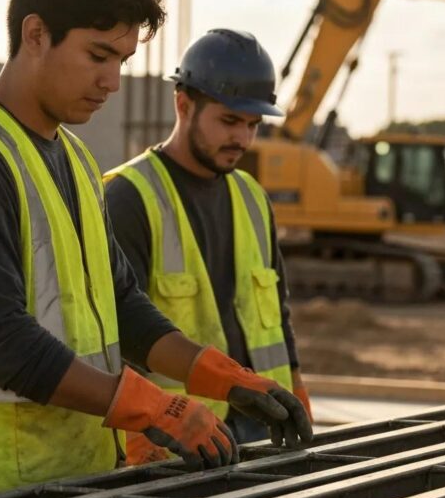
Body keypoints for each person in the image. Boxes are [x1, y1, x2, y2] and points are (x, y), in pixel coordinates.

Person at [0, 0, 312, 498]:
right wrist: (149, 404)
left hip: (74, 474)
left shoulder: (72, 159)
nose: (112, 82)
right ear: (35, 34)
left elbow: (123, 308)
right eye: (98, 56)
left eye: (121, 61)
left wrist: (224, 378)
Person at [105, 28, 314, 463]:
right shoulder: (129, 197)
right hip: (182, 433)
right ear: (183, 103)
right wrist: (140, 431)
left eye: (253, 124)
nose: (243, 138)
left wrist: (295, 390)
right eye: (230, 120)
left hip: (265, 421)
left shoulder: (253, 198)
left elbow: (277, 312)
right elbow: (115, 332)